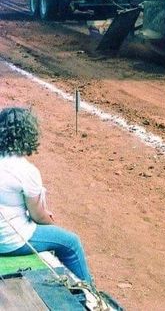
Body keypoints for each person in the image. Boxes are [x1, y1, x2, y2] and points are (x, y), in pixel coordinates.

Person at [0, 107, 92, 283]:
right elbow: (38, 216)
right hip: (10, 242)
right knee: (71, 243)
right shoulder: (26, 170)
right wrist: (50, 223)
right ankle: (89, 295)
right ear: (28, 135)